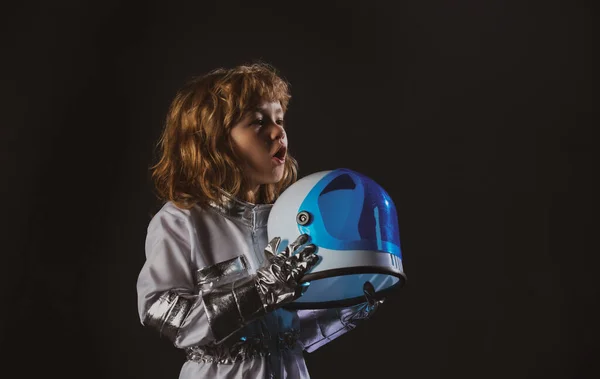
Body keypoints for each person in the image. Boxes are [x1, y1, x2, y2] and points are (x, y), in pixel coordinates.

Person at [136, 62, 383, 379]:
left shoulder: (286, 218)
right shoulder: (181, 220)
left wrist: (348, 305)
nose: (279, 131)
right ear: (215, 141)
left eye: (279, 119)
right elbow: (162, 312)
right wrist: (260, 290)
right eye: (258, 121)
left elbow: (287, 336)